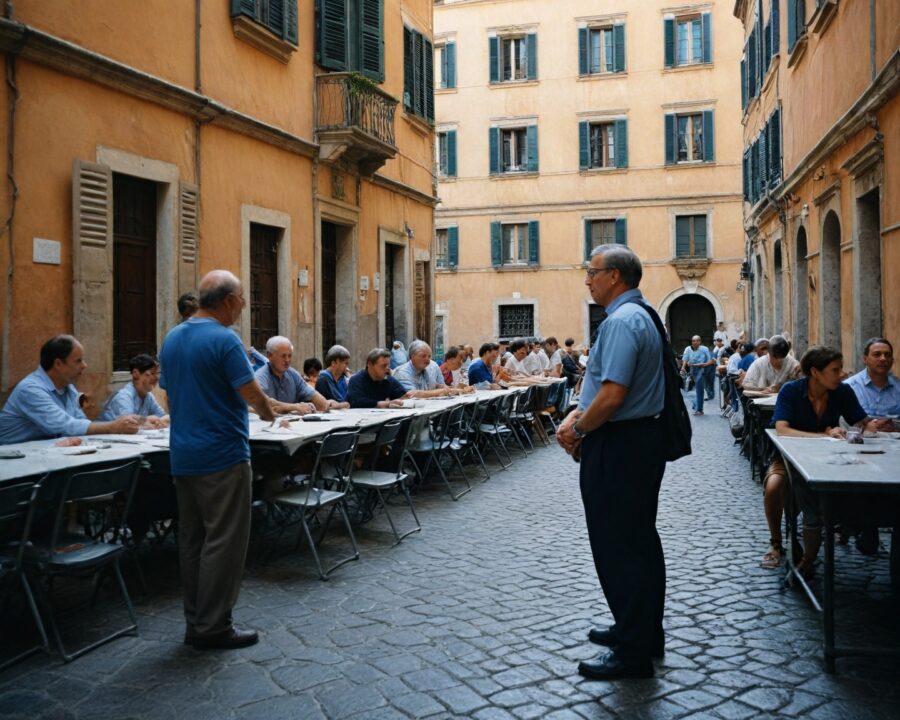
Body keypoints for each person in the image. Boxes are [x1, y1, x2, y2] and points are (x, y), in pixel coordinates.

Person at [557, 244, 666, 680]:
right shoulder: (641, 315)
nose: (587, 279)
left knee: (619, 547)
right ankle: (639, 629)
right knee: (638, 543)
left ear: (615, 276)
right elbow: (602, 388)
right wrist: (578, 414)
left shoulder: (621, 322)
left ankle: (632, 651)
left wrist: (579, 430)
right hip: (636, 442)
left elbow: (613, 395)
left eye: (592, 271)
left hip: (620, 445)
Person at [159, 269, 275, 650]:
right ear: (227, 301)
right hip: (222, 455)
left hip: (183, 455)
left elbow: (171, 396)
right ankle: (213, 627)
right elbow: (250, 391)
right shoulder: (225, 340)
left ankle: (196, 621)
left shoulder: (173, 338)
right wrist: (267, 412)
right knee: (223, 542)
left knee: (192, 541)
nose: (243, 306)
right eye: (242, 300)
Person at [762, 346, 881, 578]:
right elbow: (782, 429)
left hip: (830, 459)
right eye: (835, 370)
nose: (842, 374)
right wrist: (824, 435)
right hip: (788, 456)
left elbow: (863, 422)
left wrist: (868, 429)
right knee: (774, 486)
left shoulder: (842, 392)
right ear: (815, 372)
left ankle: (842, 531)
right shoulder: (791, 391)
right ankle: (776, 544)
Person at [0, 335, 142, 444]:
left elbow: (79, 422)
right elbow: (64, 426)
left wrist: (134, 423)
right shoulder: (30, 390)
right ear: (58, 364)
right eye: (78, 361)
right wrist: (113, 427)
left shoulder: (68, 387)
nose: (85, 366)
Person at [255, 337, 342, 414]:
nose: (287, 360)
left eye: (290, 356)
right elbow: (263, 403)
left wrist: (325, 403)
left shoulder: (293, 374)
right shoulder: (260, 377)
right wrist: (294, 407)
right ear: (270, 355)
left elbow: (315, 396)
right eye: (283, 356)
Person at [98, 353, 169, 428]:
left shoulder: (148, 396)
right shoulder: (124, 396)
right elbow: (128, 422)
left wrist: (162, 420)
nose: (156, 378)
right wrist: (146, 420)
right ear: (136, 374)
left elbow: (163, 416)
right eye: (152, 373)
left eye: (157, 373)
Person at [846, 337, 900, 419]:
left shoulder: (898, 387)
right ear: (865, 359)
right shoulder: (850, 387)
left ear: (892, 360)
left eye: (887, 355)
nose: (883, 359)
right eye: (877, 354)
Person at [393, 340, 470, 397]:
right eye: (423, 356)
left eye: (429, 356)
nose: (427, 359)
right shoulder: (402, 373)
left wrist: (461, 390)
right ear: (412, 356)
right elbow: (413, 395)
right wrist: (442, 391)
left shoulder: (433, 366)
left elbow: (443, 387)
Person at [680, 335, 714, 415]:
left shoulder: (704, 349)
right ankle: (696, 405)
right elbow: (685, 359)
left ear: (700, 342)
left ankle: (699, 410)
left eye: (697, 340)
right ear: (691, 342)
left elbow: (710, 361)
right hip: (692, 370)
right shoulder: (688, 349)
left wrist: (700, 365)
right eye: (693, 341)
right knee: (686, 390)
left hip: (701, 370)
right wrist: (683, 367)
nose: (695, 342)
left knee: (699, 390)